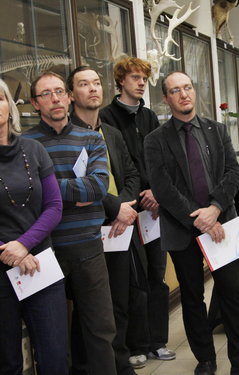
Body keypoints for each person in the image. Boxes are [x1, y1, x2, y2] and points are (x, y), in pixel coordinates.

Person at [144, 71, 239, 375]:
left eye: (187, 88)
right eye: (176, 90)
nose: (184, 94)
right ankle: (206, 360)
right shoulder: (155, 141)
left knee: (232, 293)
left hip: (221, 224)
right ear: (166, 98)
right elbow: (163, 188)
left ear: (194, 92)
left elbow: (232, 173)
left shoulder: (217, 130)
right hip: (181, 229)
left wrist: (213, 209)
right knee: (192, 297)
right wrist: (199, 218)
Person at [24, 71, 116, 375]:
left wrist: (47, 188)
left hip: (88, 247)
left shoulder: (90, 138)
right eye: (46, 94)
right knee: (52, 339)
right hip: (44, 252)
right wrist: (68, 190)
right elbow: (27, 196)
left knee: (101, 331)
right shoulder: (25, 145)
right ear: (36, 104)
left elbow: (98, 188)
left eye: (59, 91)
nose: (55, 98)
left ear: (69, 96)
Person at [100, 56, 175, 368]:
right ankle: (135, 344)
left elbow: (158, 158)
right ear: (121, 81)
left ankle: (157, 341)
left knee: (157, 276)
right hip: (124, 210)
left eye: (143, 77)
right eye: (134, 77)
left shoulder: (148, 116)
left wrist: (157, 191)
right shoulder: (106, 117)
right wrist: (135, 197)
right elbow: (122, 167)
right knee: (132, 280)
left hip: (154, 209)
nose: (141, 82)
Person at [68, 66, 142, 375]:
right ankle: (86, 367)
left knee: (119, 303)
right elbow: (77, 185)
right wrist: (116, 208)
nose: (93, 89)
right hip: (85, 230)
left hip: (119, 230)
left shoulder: (110, 131)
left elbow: (132, 174)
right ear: (72, 95)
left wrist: (124, 207)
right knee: (89, 307)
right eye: (84, 84)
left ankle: (119, 364)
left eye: (96, 83)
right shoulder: (67, 135)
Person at [0, 79, 66, 374]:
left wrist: (25, 245)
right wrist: (10, 250)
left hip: (39, 264)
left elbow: (54, 206)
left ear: (9, 106)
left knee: (54, 356)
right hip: (1, 268)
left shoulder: (33, 149)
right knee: (7, 360)